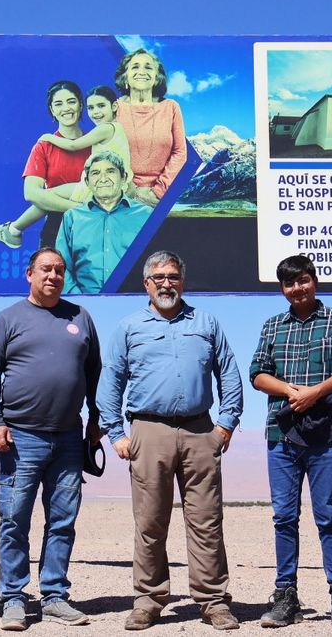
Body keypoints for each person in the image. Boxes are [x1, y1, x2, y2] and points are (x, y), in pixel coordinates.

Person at [97, 250, 243, 631]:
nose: (166, 284)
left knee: (207, 520)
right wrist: (116, 432)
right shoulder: (129, 328)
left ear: (183, 281)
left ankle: (213, 600)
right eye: (159, 277)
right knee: (150, 522)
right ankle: (148, 600)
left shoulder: (206, 322)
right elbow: (111, 380)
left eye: (173, 277)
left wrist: (225, 425)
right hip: (149, 431)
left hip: (200, 431)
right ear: (146, 283)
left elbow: (229, 373)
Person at [0, 247, 102, 630]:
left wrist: (96, 421)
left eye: (60, 270)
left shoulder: (80, 317)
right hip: (21, 438)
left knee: (63, 520)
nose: (53, 276)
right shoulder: (8, 318)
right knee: (14, 519)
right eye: (46, 269)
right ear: (29, 273)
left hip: (68, 438)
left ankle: (54, 597)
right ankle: (13, 597)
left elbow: (95, 374)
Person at [249, 254, 332, 631]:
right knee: (284, 518)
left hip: (326, 434)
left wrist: (316, 392)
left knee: (328, 517)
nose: (297, 288)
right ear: (282, 288)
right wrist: (290, 392)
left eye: (303, 280)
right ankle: (285, 597)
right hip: (281, 434)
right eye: (289, 283)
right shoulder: (273, 326)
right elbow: (257, 373)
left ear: (314, 281)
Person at [0, 81, 94, 250]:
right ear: (52, 110)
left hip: (94, 228)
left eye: (71, 101)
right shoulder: (43, 147)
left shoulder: (97, 143)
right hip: (56, 229)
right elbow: (31, 193)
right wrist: (79, 208)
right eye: (58, 104)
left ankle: (12, 229)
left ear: (81, 105)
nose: (66, 108)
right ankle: (12, 230)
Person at [55, 150, 153, 293]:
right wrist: (79, 300)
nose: (103, 179)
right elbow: (61, 266)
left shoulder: (147, 216)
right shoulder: (72, 217)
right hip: (82, 302)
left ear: (124, 177)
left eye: (110, 171)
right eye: (95, 173)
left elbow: (158, 265)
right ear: (87, 182)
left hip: (134, 301)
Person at [114, 48, 187, 207]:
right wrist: (131, 191)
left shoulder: (171, 107)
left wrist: (157, 192)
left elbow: (180, 153)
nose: (142, 71)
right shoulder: (114, 107)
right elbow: (105, 152)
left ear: (157, 77)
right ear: (125, 76)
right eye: (135, 67)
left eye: (148, 67)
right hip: (120, 195)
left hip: (158, 199)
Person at [39, 84, 134, 201]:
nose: (96, 112)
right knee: (48, 195)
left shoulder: (105, 129)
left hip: (97, 186)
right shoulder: (118, 128)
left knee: (46, 195)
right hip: (115, 185)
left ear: (114, 106)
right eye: (91, 108)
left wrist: (48, 137)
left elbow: (73, 145)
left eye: (101, 106)